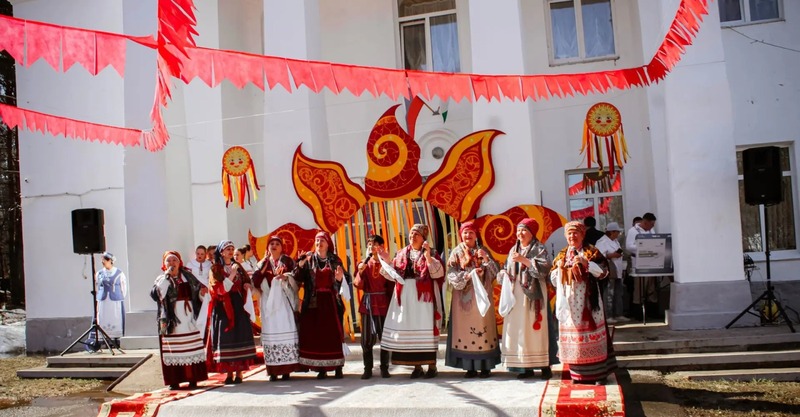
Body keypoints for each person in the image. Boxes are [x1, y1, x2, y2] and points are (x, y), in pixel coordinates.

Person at [550, 221, 617, 384]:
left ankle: (599, 375)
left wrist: (588, 264)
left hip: (589, 302)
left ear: (582, 235)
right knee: (575, 339)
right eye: (569, 234)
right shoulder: (562, 254)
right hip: (570, 304)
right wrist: (559, 269)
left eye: (576, 233)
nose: (572, 236)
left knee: (592, 335)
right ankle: (577, 375)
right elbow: (552, 280)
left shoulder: (591, 251)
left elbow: (604, 273)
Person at [379, 223, 444, 379]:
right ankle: (417, 366)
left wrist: (428, 257)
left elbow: (438, 274)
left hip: (424, 298)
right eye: (411, 234)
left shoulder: (432, 252)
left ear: (423, 238)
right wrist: (387, 262)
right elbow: (392, 276)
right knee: (410, 327)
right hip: (406, 298)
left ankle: (432, 366)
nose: (412, 236)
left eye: (416, 234)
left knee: (425, 328)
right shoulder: (401, 254)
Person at [497, 218, 552, 379]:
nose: (520, 233)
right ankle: (525, 367)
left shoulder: (539, 248)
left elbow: (544, 269)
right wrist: (504, 273)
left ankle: (544, 366)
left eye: (524, 230)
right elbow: (507, 268)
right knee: (520, 330)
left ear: (532, 233)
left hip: (534, 295)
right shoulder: (513, 249)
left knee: (536, 331)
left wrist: (525, 261)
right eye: (518, 230)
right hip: (516, 295)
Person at [445, 221, 501, 378]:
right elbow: (451, 274)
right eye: (465, 232)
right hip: (464, 299)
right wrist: (468, 276)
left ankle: (485, 366)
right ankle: (469, 367)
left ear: (476, 235)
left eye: (471, 232)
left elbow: (495, 273)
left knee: (483, 328)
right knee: (465, 330)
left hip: (482, 295)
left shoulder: (483, 251)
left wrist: (487, 260)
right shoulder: (456, 253)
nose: (468, 235)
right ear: (460, 235)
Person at [152, 251, 208, 390]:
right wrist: (167, 277)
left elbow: (198, 294)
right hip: (172, 319)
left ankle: (193, 378)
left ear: (179, 262)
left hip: (188, 316)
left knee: (191, 347)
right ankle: (174, 381)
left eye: (174, 260)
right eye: (168, 261)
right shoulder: (161, 279)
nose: (172, 263)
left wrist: (202, 294)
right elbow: (157, 295)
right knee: (173, 349)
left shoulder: (188, 277)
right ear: (164, 264)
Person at [294, 231, 346, 379]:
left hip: (331, 302)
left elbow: (344, 279)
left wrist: (339, 279)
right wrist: (300, 265)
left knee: (333, 335)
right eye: (317, 241)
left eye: (322, 240)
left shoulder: (335, 260)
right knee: (317, 336)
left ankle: (338, 367)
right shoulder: (308, 259)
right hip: (313, 303)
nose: (319, 243)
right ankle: (321, 368)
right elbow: (297, 278)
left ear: (328, 243)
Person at [207, 240, 258, 384]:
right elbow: (218, 289)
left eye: (232, 249)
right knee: (227, 337)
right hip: (223, 306)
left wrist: (247, 285)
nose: (230, 251)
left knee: (239, 335)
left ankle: (239, 372)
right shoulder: (215, 269)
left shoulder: (238, 267)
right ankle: (229, 373)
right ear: (221, 252)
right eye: (227, 249)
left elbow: (246, 281)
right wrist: (232, 274)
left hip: (238, 304)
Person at [251, 235, 300, 381]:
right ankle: (272, 370)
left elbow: (297, 277)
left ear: (281, 247)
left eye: (277, 244)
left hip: (284, 302)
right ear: (268, 247)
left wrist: (286, 277)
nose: (274, 246)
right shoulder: (262, 263)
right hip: (268, 303)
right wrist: (263, 270)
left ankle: (286, 370)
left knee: (285, 329)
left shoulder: (288, 261)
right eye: (271, 243)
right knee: (271, 332)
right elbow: (255, 281)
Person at [353, 235, 394, 379]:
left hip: (383, 303)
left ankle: (384, 368)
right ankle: (368, 369)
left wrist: (387, 264)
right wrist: (360, 272)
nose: (371, 246)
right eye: (369, 244)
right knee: (366, 339)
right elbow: (358, 284)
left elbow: (392, 284)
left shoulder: (387, 263)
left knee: (385, 337)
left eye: (374, 244)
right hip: (368, 304)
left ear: (381, 246)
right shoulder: (363, 264)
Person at [89, 252, 127, 351]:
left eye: (105, 260)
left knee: (115, 317)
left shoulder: (119, 273)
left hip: (115, 301)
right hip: (103, 301)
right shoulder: (100, 273)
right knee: (103, 317)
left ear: (110, 261)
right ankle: (103, 339)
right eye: (102, 260)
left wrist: (120, 296)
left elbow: (123, 287)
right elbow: (97, 285)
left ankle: (115, 339)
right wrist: (99, 296)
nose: (103, 262)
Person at [595, 223, 629, 324]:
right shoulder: (602, 241)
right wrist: (611, 255)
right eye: (617, 232)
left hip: (617, 270)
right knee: (609, 293)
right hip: (609, 270)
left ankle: (618, 314)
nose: (618, 234)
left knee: (618, 293)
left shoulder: (615, 241)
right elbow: (598, 256)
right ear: (612, 232)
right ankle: (608, 315)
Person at [626, 212, 658, 316]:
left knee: (651, 286)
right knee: (639, 288)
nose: (652, 226)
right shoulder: (633, 231)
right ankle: (638, 312)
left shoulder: (651, 230)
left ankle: (652, 311)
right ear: (645, 222)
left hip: (651, 262)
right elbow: (629, 246)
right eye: (651, 224)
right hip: (639, 263)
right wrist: (643, 248)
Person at [185, 245, 212, 340]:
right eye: (198, 253)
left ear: (205, 254)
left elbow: (211, 278)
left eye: (202, 254)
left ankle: (206, 334)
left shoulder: (209, 264)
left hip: (207, 290)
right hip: (194, 291)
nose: (199, 256)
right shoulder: (190, 264)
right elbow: (188, 278)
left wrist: (206, 287)